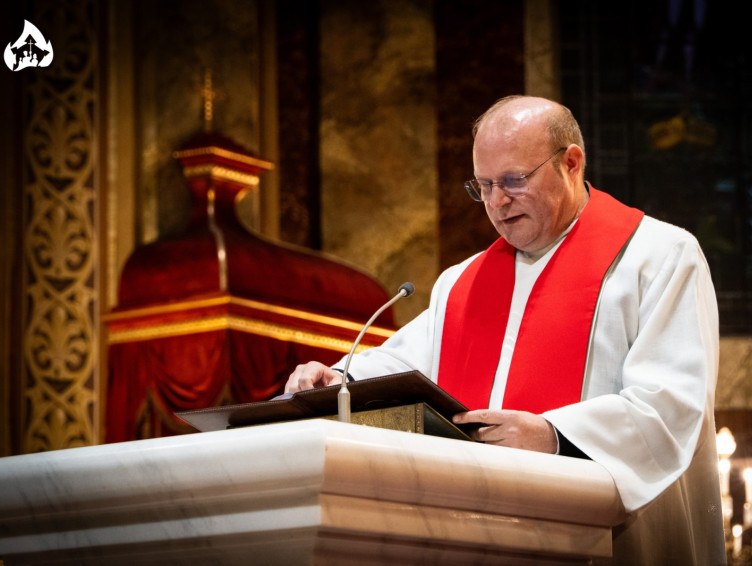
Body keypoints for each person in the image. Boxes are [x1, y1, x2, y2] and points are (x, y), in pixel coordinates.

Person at [285, 95, 725, 565]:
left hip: (612, 541)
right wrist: (340, 377)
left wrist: (553, 434)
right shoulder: (463, 282)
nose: (496, 202)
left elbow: (672, 403)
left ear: (571, 163)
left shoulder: (659, 257)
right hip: (483, 535)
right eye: (484, 185)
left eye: (514, 180)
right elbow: (404, 362)